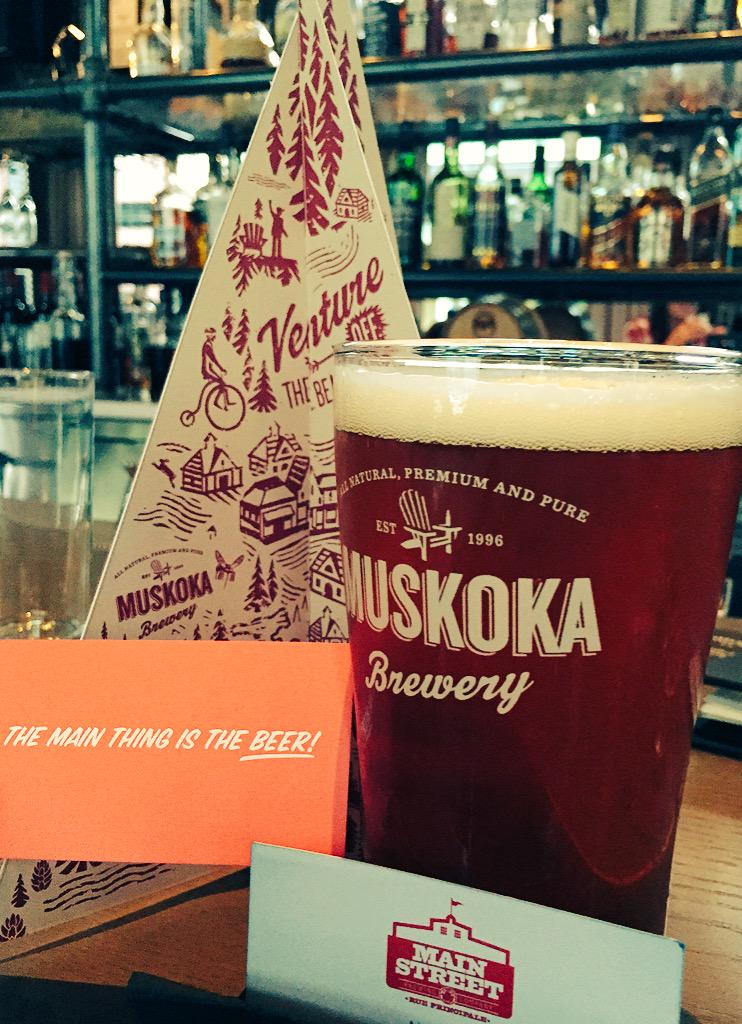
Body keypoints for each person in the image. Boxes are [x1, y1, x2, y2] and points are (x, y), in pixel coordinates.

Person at [624, 302, 727, 347]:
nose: (686, 304)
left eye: (692, 301)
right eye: (679, 299)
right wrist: (677, 339)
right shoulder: (640, 326)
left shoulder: (698, 327)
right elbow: (640, 369)